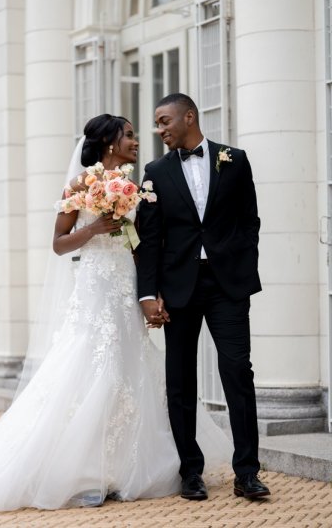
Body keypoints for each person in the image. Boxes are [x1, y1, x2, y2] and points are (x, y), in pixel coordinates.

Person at [0, 113, 231, 511]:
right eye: (129, 135)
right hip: (94, 287)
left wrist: (150, 292)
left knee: (131, 365)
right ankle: (86, 470)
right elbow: (58, 244)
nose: (136, 141)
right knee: (94, 365)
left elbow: (141, 244)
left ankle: (126, 468)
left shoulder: (135, 187)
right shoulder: (80, 184)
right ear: (109, 142)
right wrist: (94, 229)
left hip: (126, 285)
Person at [137, 93, 270, 501]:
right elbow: (149, 239)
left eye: (164, 122)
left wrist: (244, 263)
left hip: (227, 285)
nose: (159, 130)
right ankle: (190, 472)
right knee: (180, 381)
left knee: (237, 373)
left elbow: (251, 220)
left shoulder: (235, 159)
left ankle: (247, 472)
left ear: (188, 117)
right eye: (157, 124)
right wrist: (147, 292)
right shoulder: (155, 172)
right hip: (178, 288)